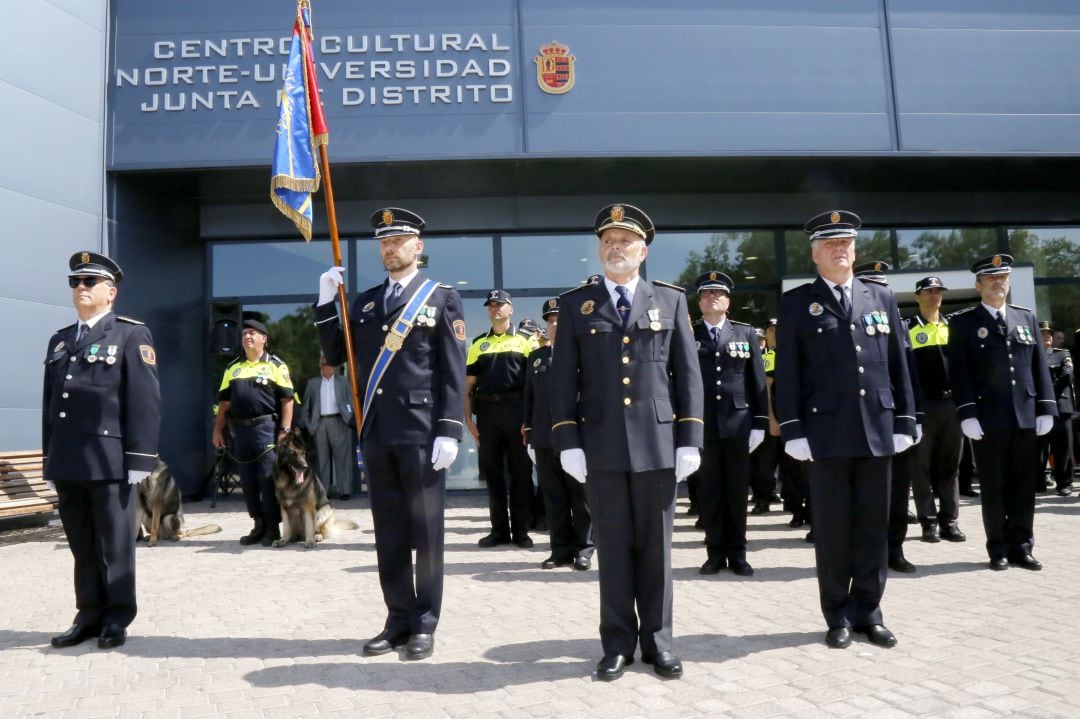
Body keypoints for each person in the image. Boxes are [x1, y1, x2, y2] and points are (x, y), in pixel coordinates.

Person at [549, 203, 703, 681]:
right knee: (613, 550)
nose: (615, 248)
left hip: (658, 444)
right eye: (608, 242)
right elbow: (562, 382)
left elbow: (688, 376)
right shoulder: (577, 305)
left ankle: (659, 643)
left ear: (643, 250)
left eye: (625, 242)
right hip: (601, 444)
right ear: (600, 251)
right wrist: (567, 440)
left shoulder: (671, 300)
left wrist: (689, 438)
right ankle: (616, 643)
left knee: (656, 552)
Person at [316, 207, 466, 661]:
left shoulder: (441, 298)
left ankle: (425, 623)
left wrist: (450, 429)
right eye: (383, 242)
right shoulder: (362, 303)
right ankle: (397, 618)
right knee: (391, 534)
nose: (390, 248)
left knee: (427, 533)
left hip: (422, 433)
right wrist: (326, 303)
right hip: (378, 433)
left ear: (417, 247)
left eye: (398, 240)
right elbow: (334, 355)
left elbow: (452, 371)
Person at [775, 210, 915, 651]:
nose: (840, 250)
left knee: (875, 527)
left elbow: (898, 364)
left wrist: (905, 419)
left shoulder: (881, 298)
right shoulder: (798, 303)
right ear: (815, 253)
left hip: (877, 428)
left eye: (847, 243)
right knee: (833, 529)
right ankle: (837, 613)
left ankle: (869, 612)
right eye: (831, 244)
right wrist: (794, 428)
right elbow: (790, 372)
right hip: (825, 434)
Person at [44, 251, 161, 649]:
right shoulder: (60, 340)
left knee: (115, 545)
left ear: (110, 292)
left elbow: (144, 400)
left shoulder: (129, 334)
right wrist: (50, 456)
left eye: (89, 282)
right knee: (81, 544)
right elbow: (51, 406)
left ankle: (116, 617)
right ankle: (88, 614)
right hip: (68, 459)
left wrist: (141, 459)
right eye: (75, 281)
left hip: (109, 460)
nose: (80, 288)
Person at [946, 254, 1056, 571]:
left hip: (1024, 415)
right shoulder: (964, 323)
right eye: (992, 279)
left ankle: (1023, 546)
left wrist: (1045, 407)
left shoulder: (1026, 318)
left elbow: (1038, 367)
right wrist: (967, 413)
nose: (999, 283)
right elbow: (960, 372)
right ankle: (998, 549)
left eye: (1003, 278)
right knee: (993, 487)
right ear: (979, 285)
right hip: (988, 418)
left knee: (1023, 485)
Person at [690, 271, 767, 577]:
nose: (713, 297)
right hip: (704, 424)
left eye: (718, 294)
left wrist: (760, 423)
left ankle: (738, 553)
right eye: (707, 294)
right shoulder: (689, 334)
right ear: (699, 302)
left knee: (736, 491)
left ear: (728, 302)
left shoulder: (745, 333)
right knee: (709, 492)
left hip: (738, 424)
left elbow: (757, 381)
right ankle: (714, 553)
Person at [850, 261, 926, 575]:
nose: (880, 291)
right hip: (864, 421)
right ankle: (864, 554)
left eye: (884, 285)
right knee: (863, 493)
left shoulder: (899, 323)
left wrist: (913, 417)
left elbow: (907, 374)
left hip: (894, 420)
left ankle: (895, 549)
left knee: (897, 492)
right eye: (873, 284)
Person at [523, 297, 594, 571]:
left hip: (574, 438)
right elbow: (529, 398)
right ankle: (560, 550)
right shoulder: (536, 358)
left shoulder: (581, 355)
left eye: (558, 321)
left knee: (580, 497)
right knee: (553, 497)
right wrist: (529, 434)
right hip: (543, 437)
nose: (554, 325)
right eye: (550, 321)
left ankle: (584, 549)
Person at [212, 318, 294, 547]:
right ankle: (257, 524)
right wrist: (217, 430)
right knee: (247, 482)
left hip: (265, 429)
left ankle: (272, 528)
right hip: (240, 431)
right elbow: (224, 404)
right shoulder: (232, 368)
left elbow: (287, 400)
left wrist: (285, 431)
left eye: (253, 333)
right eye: (244, 333)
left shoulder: (276, 365)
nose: (247, 336)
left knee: (267, 480)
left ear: (263, 339)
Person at [464, 289, 535, 548]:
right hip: (488, 416)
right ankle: (499, 532)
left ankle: (521, 532)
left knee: (520, 475)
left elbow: (533, 386)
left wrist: (529, 419)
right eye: (491, 305)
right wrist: (469, 421)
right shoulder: (477, 344)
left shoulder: (526, 341)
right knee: (493, 476)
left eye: (500, 305)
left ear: (510, 309)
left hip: (517, 413)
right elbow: (467, 386)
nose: (495, 309)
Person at [907, 276, 966, 543]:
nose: (934, 296)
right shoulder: (907, 327)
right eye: (929, 291)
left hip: (952, 405)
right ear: (918, 296)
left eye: (938, 291)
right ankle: (928, 522)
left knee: (950, 467)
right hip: (924, 407)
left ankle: (949, 522)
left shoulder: (954, 326)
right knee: (920, 467)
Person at [299, 355, 357, 499]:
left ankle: (345, 490)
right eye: (325, 365)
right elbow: (306, 406)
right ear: (321, 366)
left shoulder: (343, 382)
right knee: (321, 459)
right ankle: (323, 491)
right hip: (320, 423)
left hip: (338, 421)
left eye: (331, 365)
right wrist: (308, 423)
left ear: (335, 367)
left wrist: (351, 420)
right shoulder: (313, 383)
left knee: (342, 458)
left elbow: (352, 402)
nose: (328, 368)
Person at [1038, 321, 1074, 496]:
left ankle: (1064, 483)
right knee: (1038, 447)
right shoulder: (1032, 355)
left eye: (1049, 334)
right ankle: (1038, 481)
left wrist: (1047, 391)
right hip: (1039, 408)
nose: (1047, 337)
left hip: (1060, 405)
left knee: (1062, 447)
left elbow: (1067, 374)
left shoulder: (1063, 354)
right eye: (1043, 334)